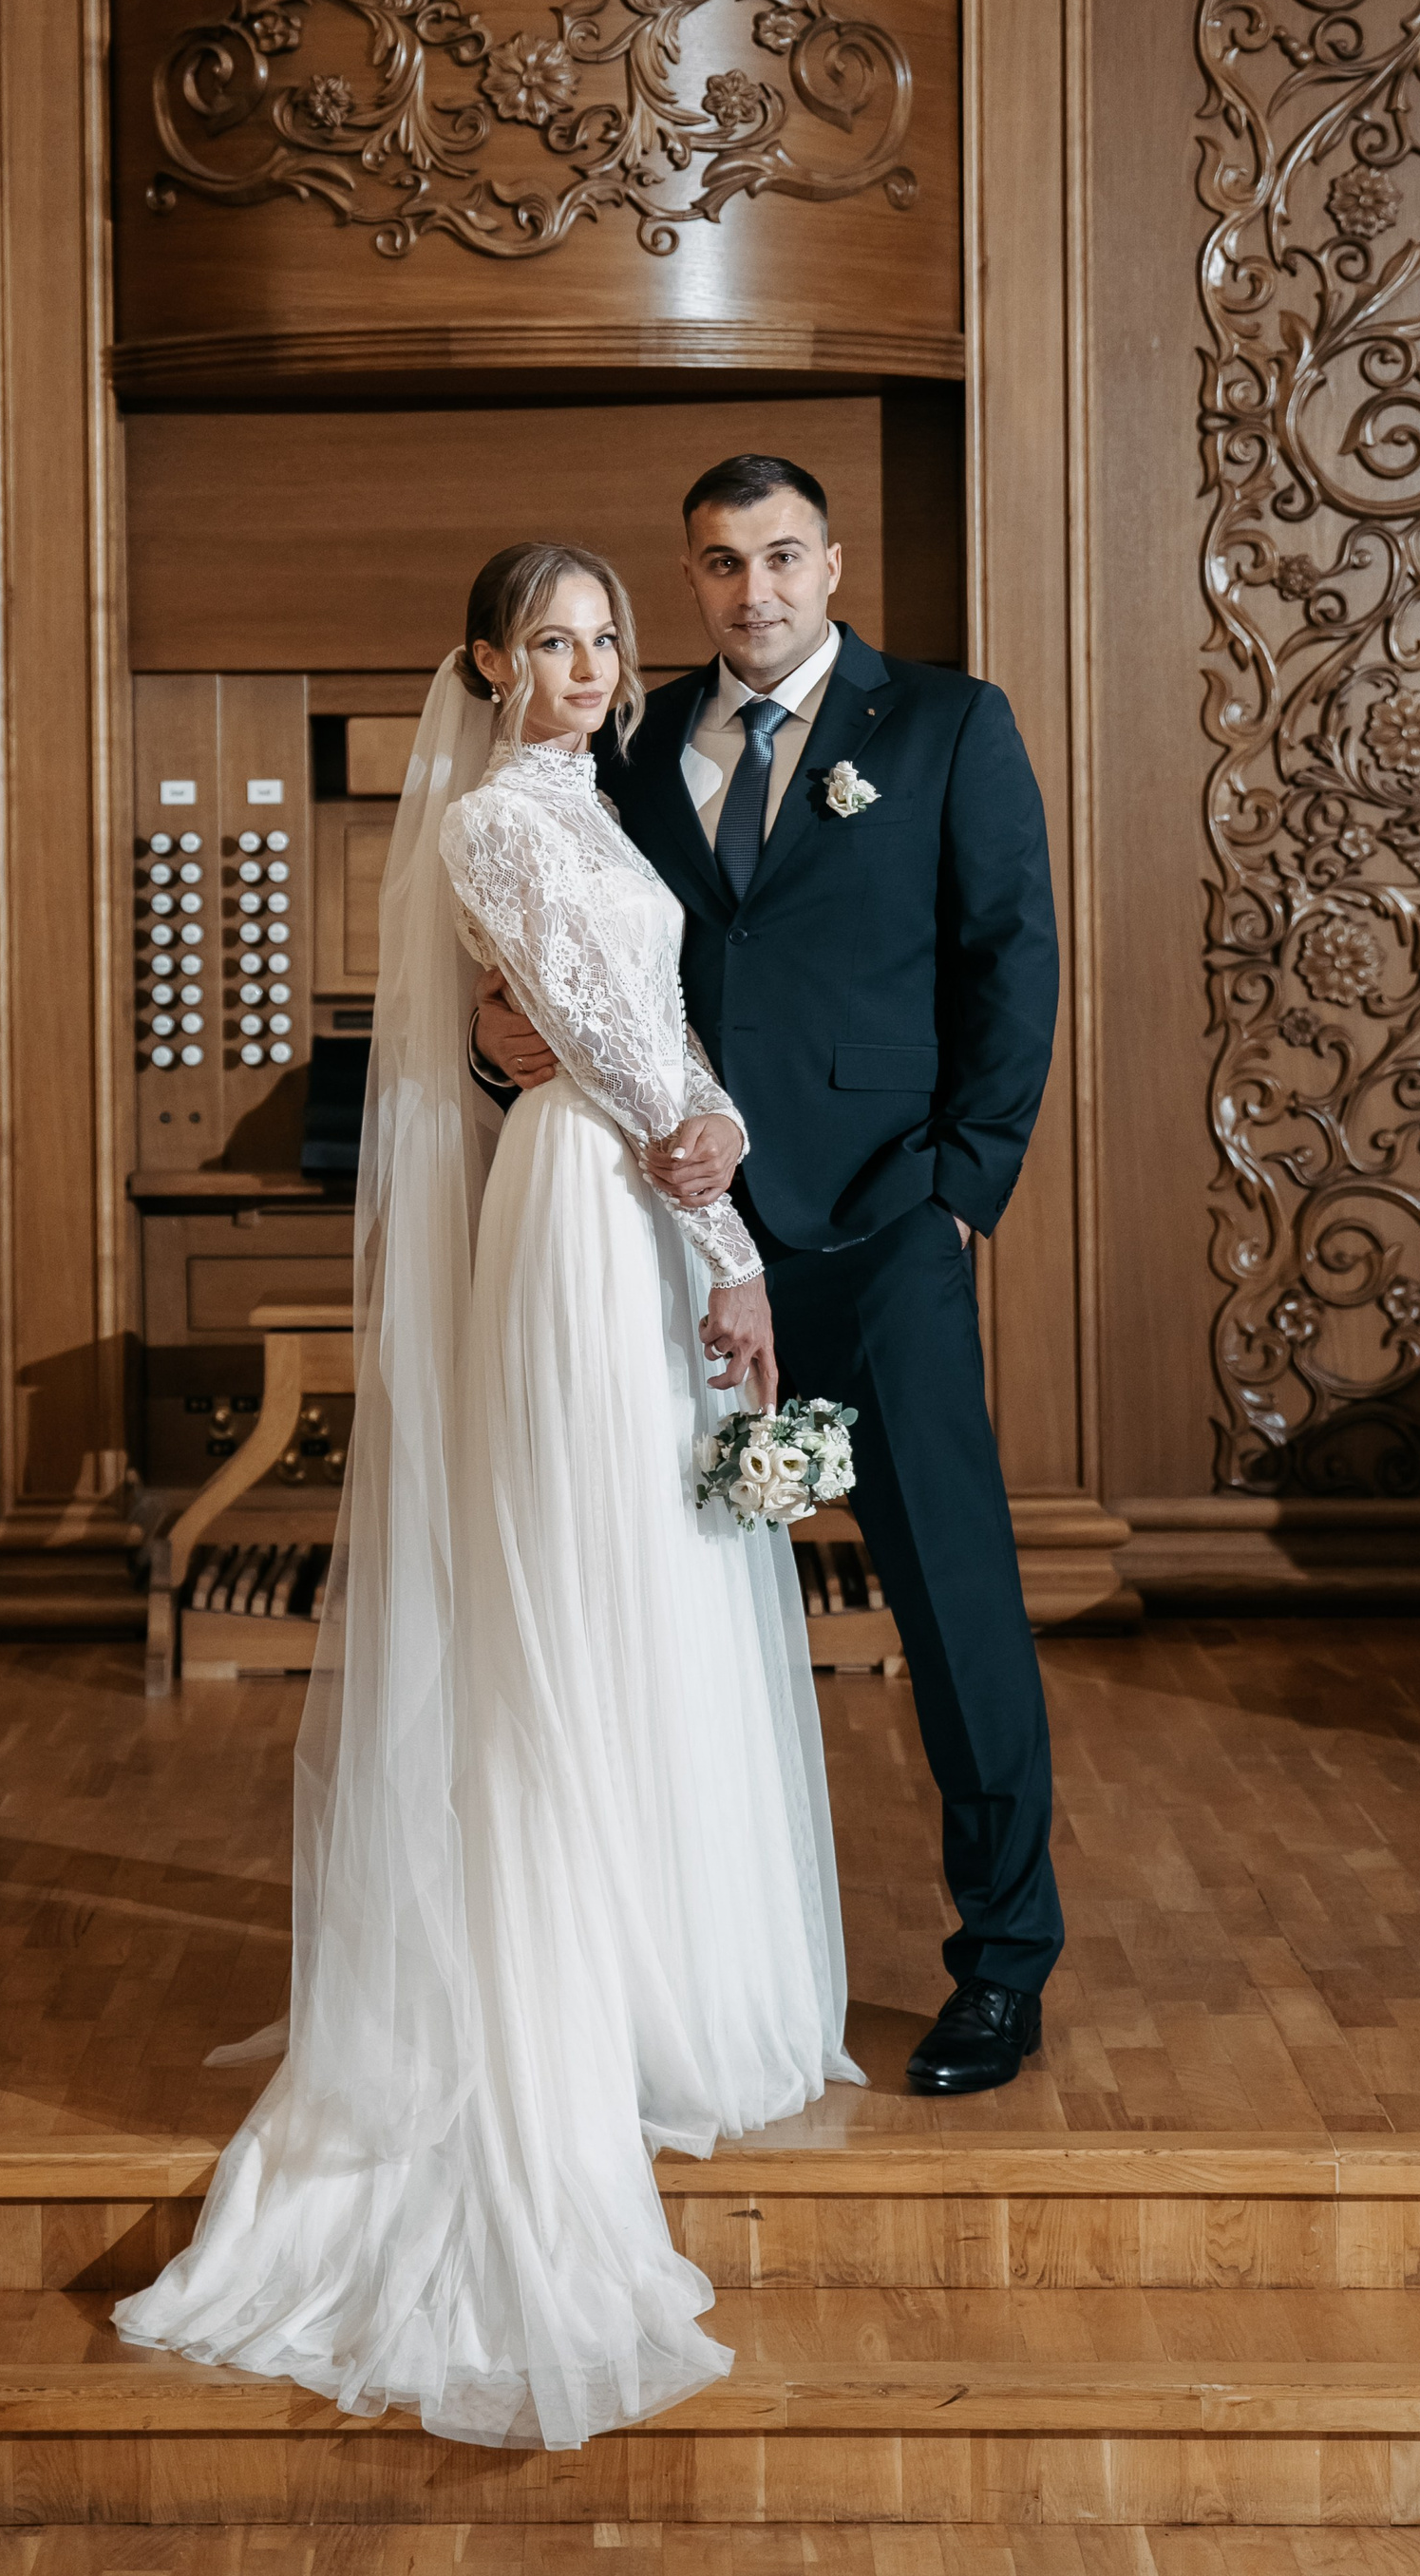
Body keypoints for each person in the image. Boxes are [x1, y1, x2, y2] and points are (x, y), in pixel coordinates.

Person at [114, 542, 861, 2450]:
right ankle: (560, 1997)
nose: (592, 667)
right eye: (554, 640)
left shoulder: (591, 803)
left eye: (608, 639)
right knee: (573, 1590)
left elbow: (653, 1036)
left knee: (650, 1580)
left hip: (645, 1192)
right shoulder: (499, 824)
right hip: (593, 1210)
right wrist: (732, 1227)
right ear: (486, 659)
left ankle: (657, 1975)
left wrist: (720, 1149)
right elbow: (608, 1047)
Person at [475, 456, 1063, 2095]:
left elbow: (1011, 958)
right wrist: (487, 1041)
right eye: (724, 563)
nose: (756, 590)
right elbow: (573, 969)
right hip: (668, 1242)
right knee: (657, 1607)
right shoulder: (633, 742)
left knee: (953, 1601)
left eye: (783, 556)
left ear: (833, 563)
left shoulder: (945, 724)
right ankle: (659, 1971)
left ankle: (1003, 1964)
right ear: (692, 577)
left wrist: (959, 1198)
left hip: (881, 1227)